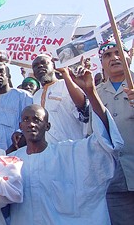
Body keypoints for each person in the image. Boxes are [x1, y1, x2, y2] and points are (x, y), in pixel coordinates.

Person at [9, 66, 125, 224]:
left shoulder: (69, 153)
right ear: (20, 126)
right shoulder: (11, 161)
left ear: (47, 126)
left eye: (37, 120)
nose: (31, 124)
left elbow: (105, 143)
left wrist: (90, 92)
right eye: (26, 120)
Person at [95, 38, 134, 224]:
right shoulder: (96, 93)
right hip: (114, 179)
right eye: (107, 55)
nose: (114, 57)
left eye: (119, 52)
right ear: (101, 63)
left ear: (129, 56)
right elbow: (93, 135)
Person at [31, 54, 89, 143]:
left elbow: (83, 107)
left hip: (74, 147)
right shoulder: (36, 96)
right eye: (35, 66)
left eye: (44, 63)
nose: (40, 66)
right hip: (49, 151)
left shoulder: (67, 84)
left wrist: (65, 74)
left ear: (54, 65)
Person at [0, 62, 32, 151]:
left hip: (16, 151)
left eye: (1, 71)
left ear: (8, 75)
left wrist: (20, 136)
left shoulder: (23, 96)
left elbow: (29, 121)